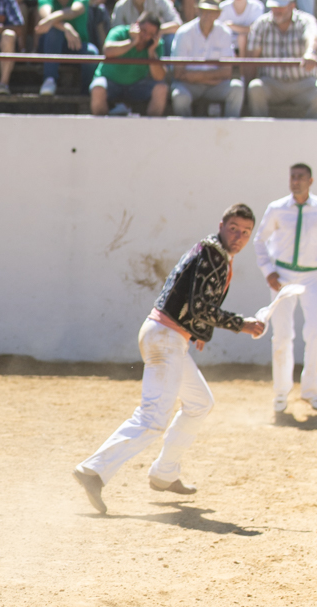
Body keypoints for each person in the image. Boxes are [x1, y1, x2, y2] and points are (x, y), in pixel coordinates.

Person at [73, 205, 265, 514]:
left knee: (200, 402)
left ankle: (165, 473)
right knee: (152, 418)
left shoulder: (209, 251)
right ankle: (93, 470)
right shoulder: (213, 255)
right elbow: (200, 306)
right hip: (166, 338)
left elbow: (183, 293)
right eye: (234, 228)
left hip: (168, 336)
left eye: (245, 232)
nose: (238, 236)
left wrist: (197, 330)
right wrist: (240, 324)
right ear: (221, 225)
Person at [252, 164, 317, 411]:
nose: (295, 181)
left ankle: (311, 391)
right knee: (281, 334)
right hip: (282, 276)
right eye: (293, 177)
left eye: (300, 177)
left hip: (313, 275)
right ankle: (281, 393)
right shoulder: (277, 208)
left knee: (316, 332)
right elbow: (260, 240)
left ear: (310, 181)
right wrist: (268, 271)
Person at [244, 0, 317, 118]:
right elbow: (252, 58)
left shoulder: (306, 20)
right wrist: (246, 89)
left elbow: (312, 37)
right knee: (255, 88)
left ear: (292, 6)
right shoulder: (261, 24)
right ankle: (260, 127)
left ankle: (311, 128)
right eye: (273, 7)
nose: (276, 11)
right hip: (272, 83)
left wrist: (310, 53)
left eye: (280, 7)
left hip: (303, 83)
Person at [170, 0, 242, 116]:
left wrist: (195, 76)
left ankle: (231, 126)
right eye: (204, 11)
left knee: (236, 88)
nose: (207, 16)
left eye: (212, 12)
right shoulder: (184, 32)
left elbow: (227, 72)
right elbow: (178, 73)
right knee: (179, 96)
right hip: (190, 85)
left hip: (214, 85)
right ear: (197, 11)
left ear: (218, 14)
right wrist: (210, 77)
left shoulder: (224, 32)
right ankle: (185, 128)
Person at [90, 11, 168, 115]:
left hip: (137, 85)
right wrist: (132, 42)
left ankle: (152, 125)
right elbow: (107, 51)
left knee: (161, 89)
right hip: (110, 81)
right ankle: (101, 124)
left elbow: (159, 77)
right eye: (143, 30)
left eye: (150, 34)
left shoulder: (155, 44)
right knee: (98, 88)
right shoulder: (119, 32)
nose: (145, 36)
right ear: (137, 24)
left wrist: (151, 52)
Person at [34, 0, 98, 97]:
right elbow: (45, 15)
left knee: (92, 53)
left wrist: (51, 19)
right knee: (54, 31)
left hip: (77, 46)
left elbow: (74, 11)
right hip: (49, 47)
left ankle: (86, 95)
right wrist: (65, 27)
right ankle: (49, 79)